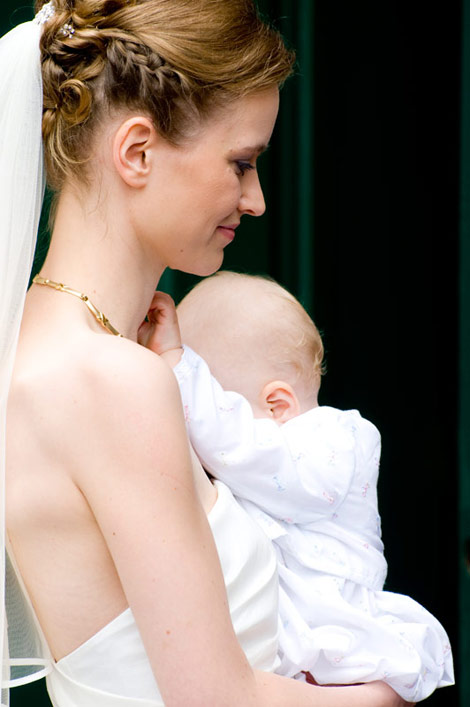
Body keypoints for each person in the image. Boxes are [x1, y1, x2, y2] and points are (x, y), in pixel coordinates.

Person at [1, 0, 413, 705]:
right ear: (137, 152)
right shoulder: (114, 381)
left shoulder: (41, 347)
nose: (256, 200)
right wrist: (393, 691)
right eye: (241, 164)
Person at [140, 271, 454, 703]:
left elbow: (237, 447)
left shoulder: (337, 440)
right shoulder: (257, 467)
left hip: (340, 638)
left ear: (277, 405)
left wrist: (176, 363)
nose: (193, 425)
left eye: (213, 401)